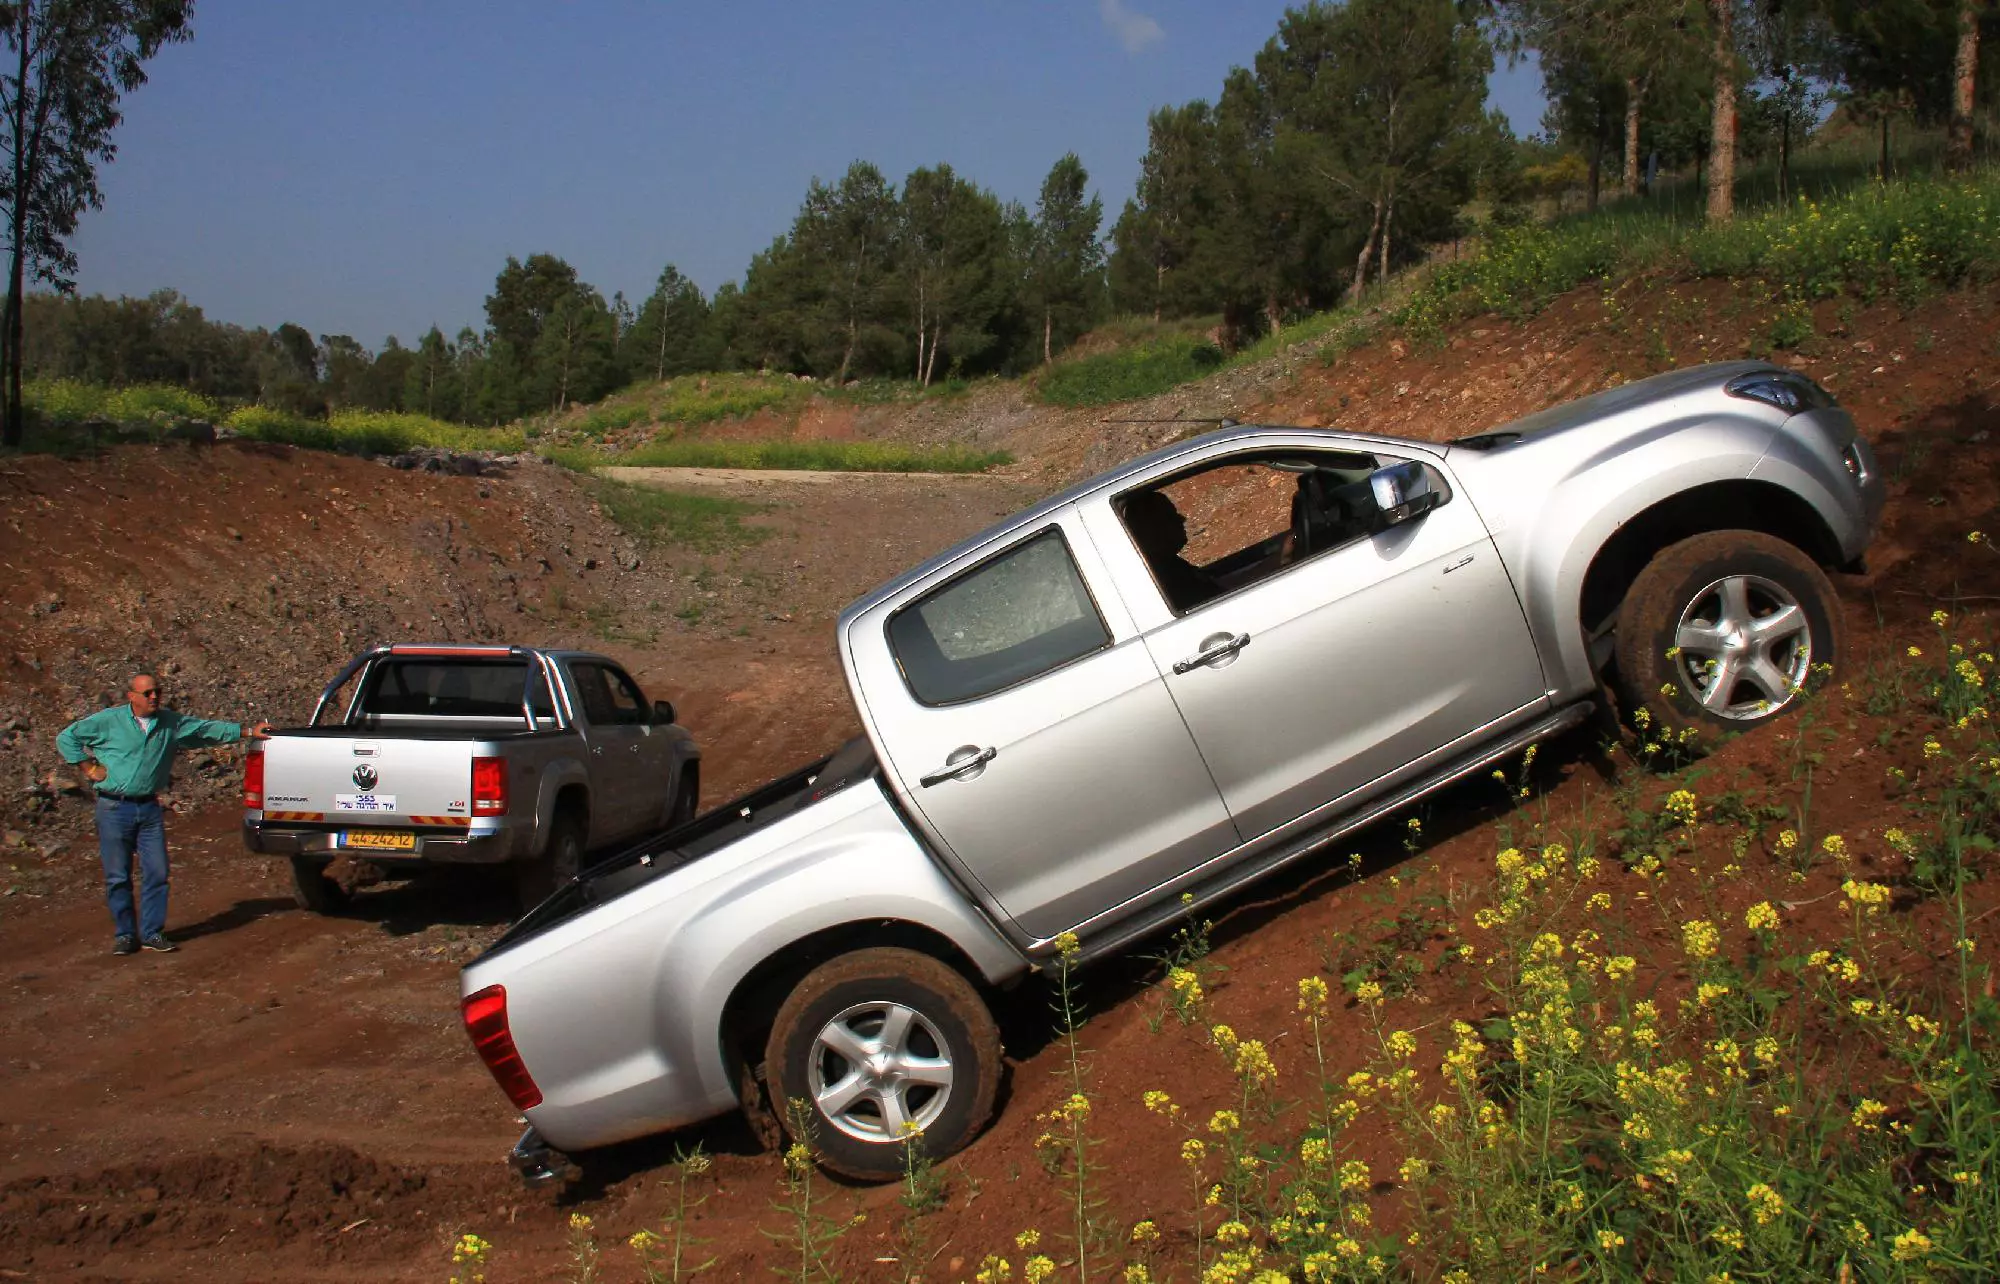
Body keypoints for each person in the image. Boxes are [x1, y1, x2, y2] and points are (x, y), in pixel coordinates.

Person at [55, 674, 272, 956]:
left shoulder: (170, 722)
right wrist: (88, 768)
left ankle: (152, 932)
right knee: (117, 876)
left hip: (148, 808)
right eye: (147, 693)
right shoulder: (108, 721)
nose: (154, 697)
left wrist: (246, 732)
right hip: (113, 808)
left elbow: (205, 730)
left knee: (157, 872)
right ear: (131, 696)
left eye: (157, 692)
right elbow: (66, 738)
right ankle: (125, 935)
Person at [1121, 488, 1221, 613]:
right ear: (1152, 530)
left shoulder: (1171, 565)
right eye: (1170, 515)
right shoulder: (1166, 578)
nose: (1182, 519)